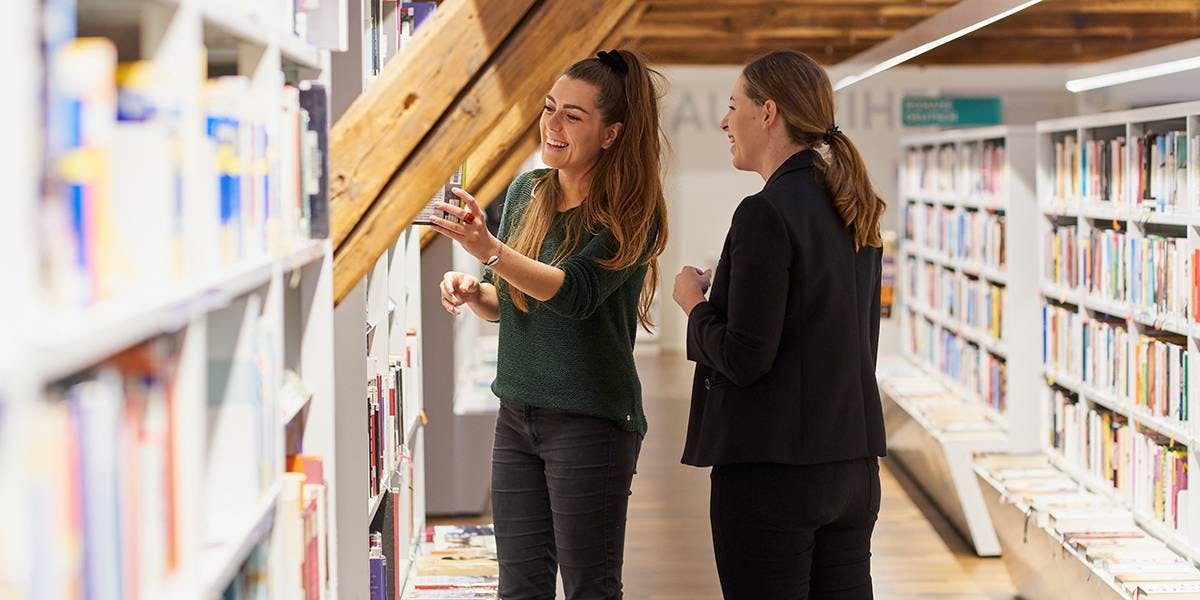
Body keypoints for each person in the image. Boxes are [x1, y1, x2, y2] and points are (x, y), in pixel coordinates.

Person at [427, 49, 668, 600]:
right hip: (516, 417)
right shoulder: (526, 192)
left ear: (610, 134)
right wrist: (476, 292)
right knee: (518, 589)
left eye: (573, 115)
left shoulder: (633, 211)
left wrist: (489, 250)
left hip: (591, 424)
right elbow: (514, 300)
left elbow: (574, 293)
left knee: (590, 588)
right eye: (549, 107)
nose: (552, 124)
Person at [672, 49, 887, 600]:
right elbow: (856, 342)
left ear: (768, 112)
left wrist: (694, 304)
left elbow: (744, 357)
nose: (724, 122)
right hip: (852, 469)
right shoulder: (854, 205)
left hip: (773, 472)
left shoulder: (763, 211)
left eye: (732, 106)